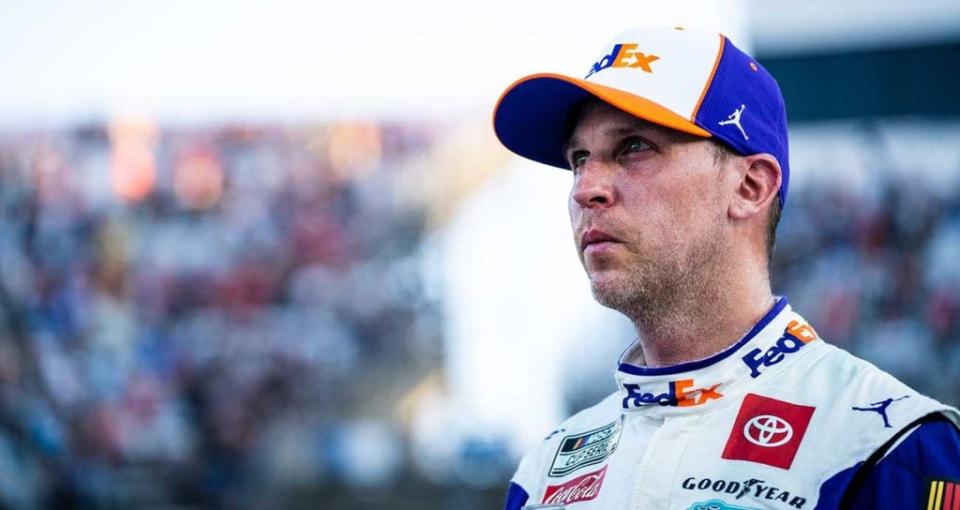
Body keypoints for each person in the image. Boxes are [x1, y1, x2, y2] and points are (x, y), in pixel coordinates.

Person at [491, 25, 960, 509]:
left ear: (750, 187)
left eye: (633, 147)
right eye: (579, 158)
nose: (586, 188)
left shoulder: (887, 449)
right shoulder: (542, 477)